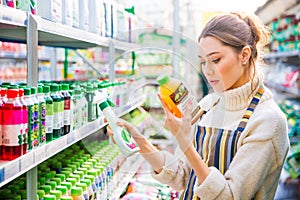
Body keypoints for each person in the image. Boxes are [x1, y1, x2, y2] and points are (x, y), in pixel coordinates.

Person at [107, 12, 290, 199]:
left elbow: (231, 195)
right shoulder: (208, 105)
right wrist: (140, 141)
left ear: (244, 55)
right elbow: (182, 176)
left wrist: (186, 144)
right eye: (203, 62)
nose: (208, 71)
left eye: (216, 60)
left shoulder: (267, 120)